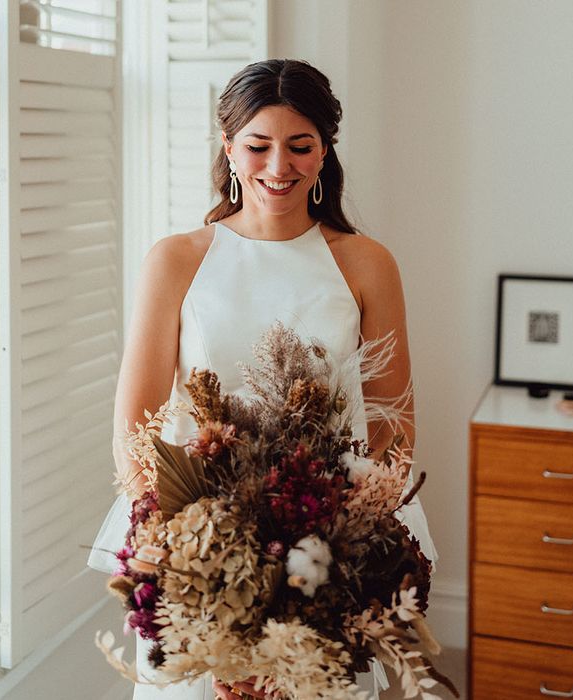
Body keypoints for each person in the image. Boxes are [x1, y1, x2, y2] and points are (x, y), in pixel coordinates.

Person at [88, 58, 437, 700]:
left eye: (300, 146)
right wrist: (175, 542)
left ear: (325, 151)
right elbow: (134, 421)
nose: (279, 167)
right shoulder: (176, 260)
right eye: (259, 145)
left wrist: (348, 534)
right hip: (198, 538)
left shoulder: (366, 263)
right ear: (228, 148)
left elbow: (393, 417)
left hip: (325, 541)